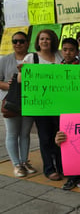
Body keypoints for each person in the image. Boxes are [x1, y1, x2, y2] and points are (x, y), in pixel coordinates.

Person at [22, 29, 63, 181]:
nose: (45, 41)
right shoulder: (31, 57)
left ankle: (62, 166)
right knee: (45, 137)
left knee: (61, 136)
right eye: (42, 39)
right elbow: (21, 80)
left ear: (53, 41)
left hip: (60, 105)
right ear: (38, 42)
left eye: (48, 39)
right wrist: (24, 72)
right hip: (42, 106)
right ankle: (49, 169)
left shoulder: (60, 55)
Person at [0, 32, 36, 177]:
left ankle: (24, 161)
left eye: (21, 41)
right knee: (12, 133)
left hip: (29, 101)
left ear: (27, 43)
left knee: (25, 133)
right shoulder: (5, 60)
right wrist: (11, 86)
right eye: (15, 41)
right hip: (11, 101)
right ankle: (16, 164)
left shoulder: (33, 58)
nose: (18, 44)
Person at [57, 38, 80, 192]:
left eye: (71, 50)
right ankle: (73, 177)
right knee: (68, 145)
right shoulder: (56, 69)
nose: (67, 52)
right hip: (64, 114)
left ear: (77, 52)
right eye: (65, 49)